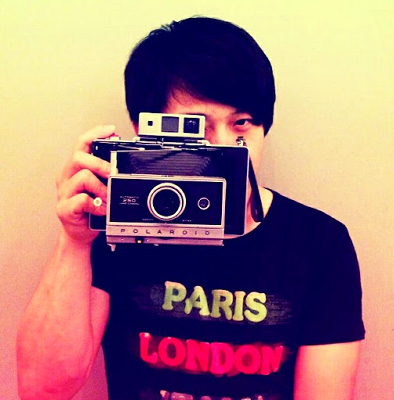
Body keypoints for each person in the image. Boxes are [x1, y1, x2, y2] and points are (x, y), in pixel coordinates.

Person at [17, 16, 365, 400]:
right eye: (197, 128)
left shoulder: (319, 243)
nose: (226, 145)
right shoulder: (118, 226)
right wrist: (74, 241)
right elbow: (42, 388)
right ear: (147, 131)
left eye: (242, 123)